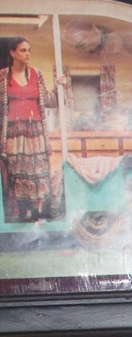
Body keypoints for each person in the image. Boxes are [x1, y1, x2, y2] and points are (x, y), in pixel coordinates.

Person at [1, 37, 66, 223]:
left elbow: (48, 101)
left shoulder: (36, 74)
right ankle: (22, 213)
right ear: (12, 53)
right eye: (23, 50)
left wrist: (59, 87)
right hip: (14, 132)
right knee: (16, 172)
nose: (27, 54)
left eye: (29, 50)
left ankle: (37, 212)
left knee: (38, 171)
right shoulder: (3, 76)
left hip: (36, 131)